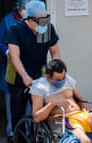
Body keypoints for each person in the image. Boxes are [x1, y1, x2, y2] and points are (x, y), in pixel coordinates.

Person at [6, 0, 60, 135]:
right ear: (30, 20)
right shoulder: (16, 30)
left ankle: (38, 141)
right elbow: (15, 57)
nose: (45, 23)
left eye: (46, 19)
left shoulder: (47, 29)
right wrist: (24, 76)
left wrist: (56, 71)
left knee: (40, 112)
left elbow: (54, 52)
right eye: (41, 20)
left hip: (39, 75)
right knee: (18, 112)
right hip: (18, 76)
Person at [0, 0, 31, 143]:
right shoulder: (7, 21)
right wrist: (8, 52)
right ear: (18, 7)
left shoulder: (34, 21)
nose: (25, 10)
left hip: (30, 67)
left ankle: (28, 133)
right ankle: (12, 133)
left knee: (29, 101)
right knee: (13, 102)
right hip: (11, 68)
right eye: (23, 7)